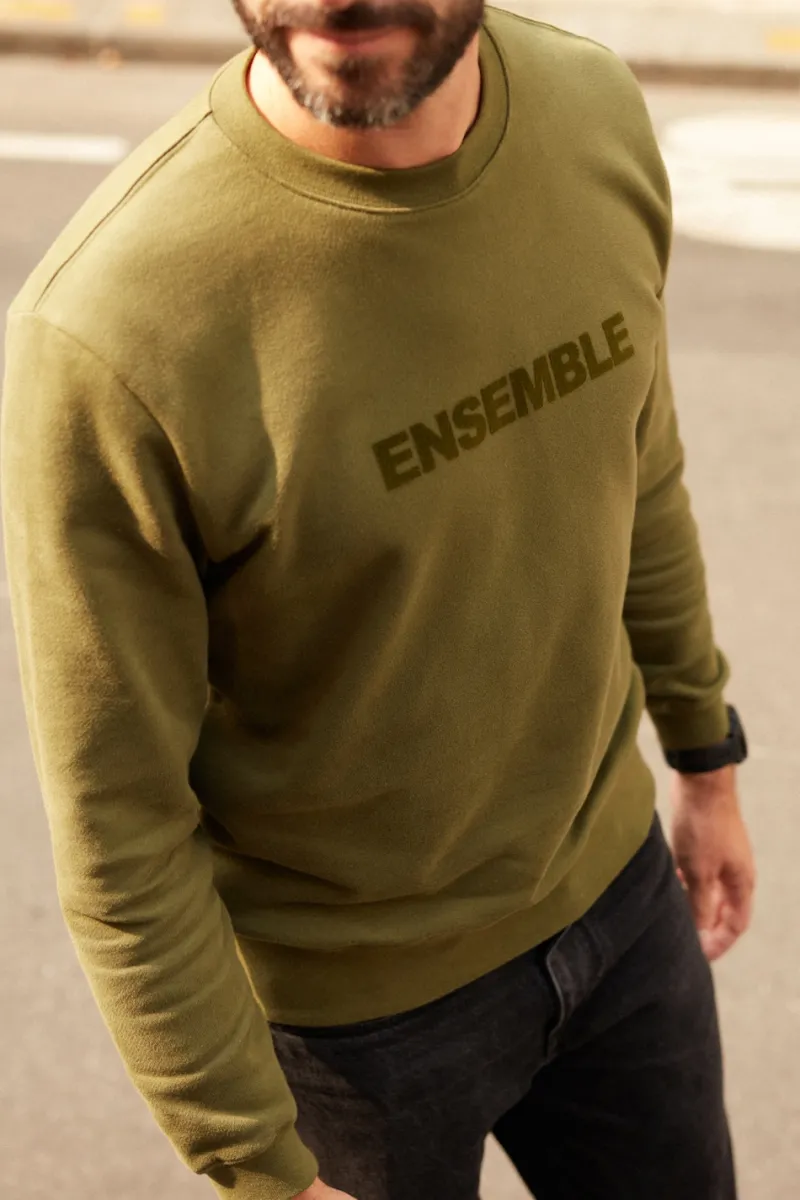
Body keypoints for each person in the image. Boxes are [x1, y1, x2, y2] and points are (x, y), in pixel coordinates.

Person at [0, 2, 756, 1198]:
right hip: (353, 1033)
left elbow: (636, 467)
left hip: (617, 908)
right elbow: (119, 824)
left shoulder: (591, 112)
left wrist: (703, 756)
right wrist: (261, 1168)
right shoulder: (105, 334)